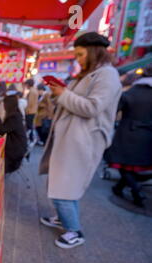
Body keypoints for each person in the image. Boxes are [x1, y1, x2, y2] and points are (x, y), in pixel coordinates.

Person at [39, 32, 122, 249]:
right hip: (72, 139)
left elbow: (92, 107)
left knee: (64, 188)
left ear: (94, 52)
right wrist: (60, 93)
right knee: (65, 184)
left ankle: (74, 231)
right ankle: (62, 218)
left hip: (83, 141)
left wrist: (63, 93)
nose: (78, 59)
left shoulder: (107, 75)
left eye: (80, 54)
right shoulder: (90, 74)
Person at [104, 63, 152, 208]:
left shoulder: (131, 92)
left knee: (124, 165)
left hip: (127, 133)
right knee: (133, 166)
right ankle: (119, 188)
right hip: (148, 136)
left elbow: (114, 111)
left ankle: (137, 192)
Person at [0, 94, 27, 174]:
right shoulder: (16, 115)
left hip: (14, 152)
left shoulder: (14, 117)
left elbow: (2, 130)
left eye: (4, 104)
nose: (4, 106)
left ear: (8, 105)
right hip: (16, 147)